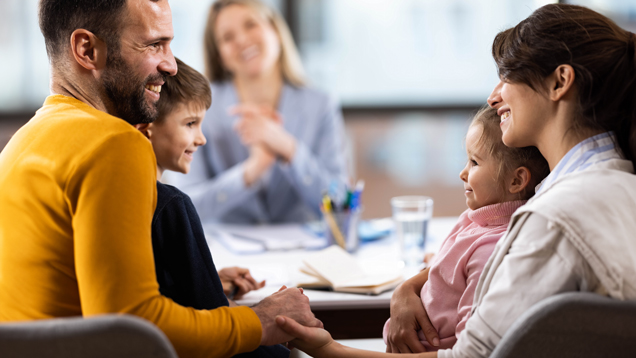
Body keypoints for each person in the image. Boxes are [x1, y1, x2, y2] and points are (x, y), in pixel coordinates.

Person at [272, 4, 636, 358]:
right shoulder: (612, 181)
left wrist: (327, 350)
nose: (494, 97)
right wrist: (411, 285)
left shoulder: (556, 217)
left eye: (508, 76)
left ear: (560, 82)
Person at [0, 1, 321, 358]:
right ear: (87, 50)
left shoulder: (23, 142)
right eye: (154, 45)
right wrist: (260, 320)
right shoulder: (115, 143)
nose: (170, 64)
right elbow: (132, 327)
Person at [136, 56, 288, 357]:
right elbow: (217, 323)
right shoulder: (171, 206)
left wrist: (210, 280)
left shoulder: (131, 196)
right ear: (146, 126)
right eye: (190, 123)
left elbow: (171, 293)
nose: (201, 139)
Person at [165, 0, 349, 224]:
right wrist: (249, 173)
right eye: (227, 37)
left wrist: (289, 150)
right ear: (220, 55)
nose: (242, 40)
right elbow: (185, 207)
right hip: (225, 253)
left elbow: (342, 205)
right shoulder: (197, 109)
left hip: (301, 251)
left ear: (275, 31)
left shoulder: (321, 105)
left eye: (251, 24)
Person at [382, 106, 549, 351]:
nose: (462, 173)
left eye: (474, 162)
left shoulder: (490, 250)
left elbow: (465, 345)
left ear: (516, 180)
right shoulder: (475, 220)